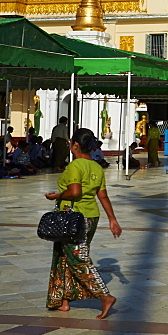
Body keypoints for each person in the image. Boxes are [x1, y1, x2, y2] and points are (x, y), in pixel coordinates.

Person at [44, 127, 120, 319]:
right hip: (91, 216)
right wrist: (112, 218)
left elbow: (75, 192)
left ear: (75, 145)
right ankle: (62, 300)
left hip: (73, 218)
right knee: (63, 256)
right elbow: (102, 195)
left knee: (79, 258)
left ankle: (104, 296)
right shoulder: (96, 166)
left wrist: (57, 195)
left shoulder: (75, 166)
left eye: (71, 142)